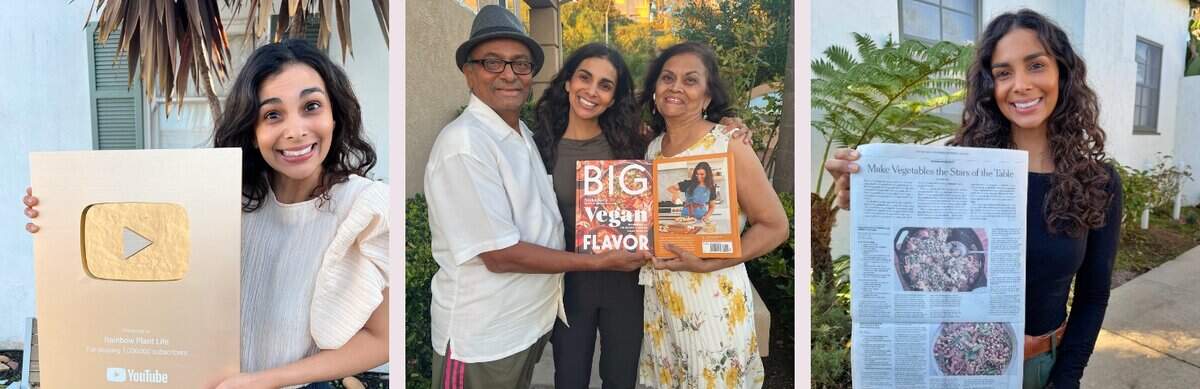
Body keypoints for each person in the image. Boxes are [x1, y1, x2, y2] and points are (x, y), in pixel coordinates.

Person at [24, 39, 389, 389]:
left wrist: (266, 381)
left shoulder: (363, 208)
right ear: (253, 128)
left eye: (311, 106)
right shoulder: (223, 198)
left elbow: (381, 338)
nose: (295, 131)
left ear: (335, 114)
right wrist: (58, 216)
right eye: (273, 114)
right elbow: (137, 251)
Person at [825, 9, 1121, 389]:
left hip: (1040, 371)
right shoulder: (953, 166)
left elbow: (1093, 295)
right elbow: (911, 257)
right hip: (950, 368)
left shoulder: (1097, 181)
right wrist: (863, 194)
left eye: (1035, 66)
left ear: (1062, 73)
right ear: (989, 85)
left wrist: (1066, 379)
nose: (1020, 85)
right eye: (1003, 73)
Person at [422, 6, 649, 389]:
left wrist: (728, 127)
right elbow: (498, 254)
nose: (509, 74)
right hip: (484, 336)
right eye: (492, 62)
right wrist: (595, 262)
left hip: (529, 323)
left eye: (520, 64)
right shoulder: (466, 144)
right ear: (468, 70)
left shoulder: (522, 135)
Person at [635, 42, 789, 389]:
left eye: (690, 81)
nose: (676, 87)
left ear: (706, 96)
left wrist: (710, 262)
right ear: (655, 90)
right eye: (667, 78)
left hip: (711, 296)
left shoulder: (728, 144)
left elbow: (776, 226)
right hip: (663, 300)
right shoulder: (653, 149)